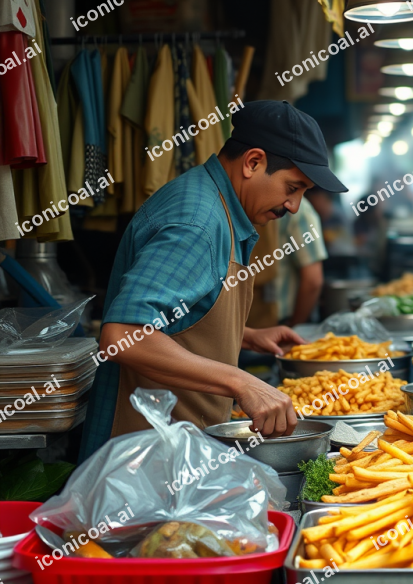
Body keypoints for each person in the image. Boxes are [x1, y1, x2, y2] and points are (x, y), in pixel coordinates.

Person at [80, 100, 347, 461]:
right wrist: (242, 382)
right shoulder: (198, 223)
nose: (295, 206)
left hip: (181, 446)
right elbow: (124, 336)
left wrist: (245, 334)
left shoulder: (219, 205)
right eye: (292, 187)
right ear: (253, 162)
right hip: (143, 459)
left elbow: (178, 316)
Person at [275, 196, 328, 326]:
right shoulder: (298, 209)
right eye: (293, 188)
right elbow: (313, 280)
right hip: (280, 320)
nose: (295, 204)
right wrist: (295, 326)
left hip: (240, 324)